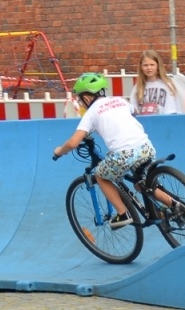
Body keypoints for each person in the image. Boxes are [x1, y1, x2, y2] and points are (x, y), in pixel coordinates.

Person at [51, 73, 154, 228]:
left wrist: (59, 151)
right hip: (146, 147)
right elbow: (133, 112)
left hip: (124, 155)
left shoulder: (91, 113)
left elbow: (73, 143)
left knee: (100, 175)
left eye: (80, 99)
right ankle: (175, 206)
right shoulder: (119, 100)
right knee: (142, 184)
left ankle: (122, 214)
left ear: (86, 98)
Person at [130, 49, 183, 116]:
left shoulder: (167, 86)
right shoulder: (137, 88)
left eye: (152, 65)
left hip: (162, 124)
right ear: (141, 67)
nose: (149, 68)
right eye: (145, 65)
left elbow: (171, 112)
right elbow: (134, 111)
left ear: (158, 66)